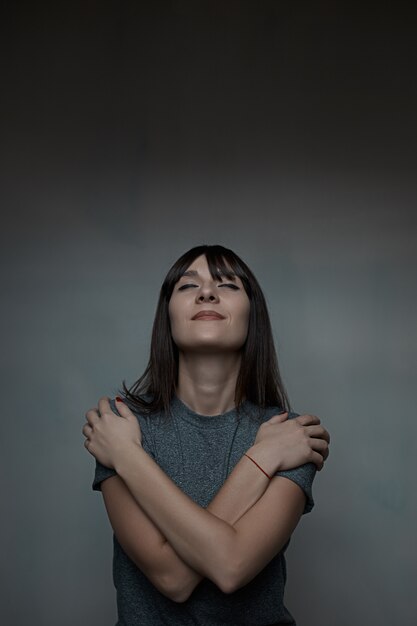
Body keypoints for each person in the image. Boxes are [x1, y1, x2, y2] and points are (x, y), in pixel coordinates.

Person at [82, 244, 330, 626]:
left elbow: (230, 567)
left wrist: (128, 458)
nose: (207, 292)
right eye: (187, 285)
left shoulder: (288, 435)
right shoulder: (120, 427)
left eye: (228, 285)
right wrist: (263, 461)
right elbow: (172, 579)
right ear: (167, 316)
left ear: (253, 315)